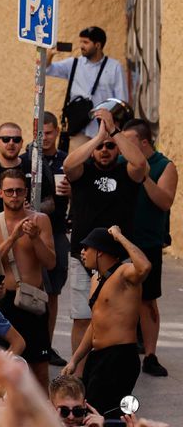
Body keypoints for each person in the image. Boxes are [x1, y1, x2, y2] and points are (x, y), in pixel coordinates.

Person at [62, 107, 147, 360]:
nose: (105, 150)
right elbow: (68, 164)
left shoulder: (127, 173)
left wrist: (113, 131)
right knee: (81, 318)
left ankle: (107, 364)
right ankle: (78, 373)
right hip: (83, 255)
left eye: (111, 146)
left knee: (118, 316)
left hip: (118, 259)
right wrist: (98, 137)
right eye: (101, 147)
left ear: (118, 148)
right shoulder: (83, 172)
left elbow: (140, 162)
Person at [63, 226, 151, 416]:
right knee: (89, 412)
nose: (83, 253)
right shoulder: (96, 279)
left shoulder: (124, 273)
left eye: (87, 248)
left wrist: (119, 237)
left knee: (105, 416)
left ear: (100, 252)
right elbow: (94, 324)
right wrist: (75, 360)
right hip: (98, 358)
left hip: (119, 358)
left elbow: (144, 267)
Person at [0, 169, 56, 383]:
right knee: (2, 367)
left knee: (39, 369)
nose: (14, 196)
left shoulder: (40, 220)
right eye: (9, 191)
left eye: (18, 191)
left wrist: (35, 239)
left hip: (32, 301)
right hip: (4, 302)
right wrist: (15, 236)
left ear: (26, 193)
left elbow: (50, 263)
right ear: (0, 193)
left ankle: (44, 414)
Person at [123, 119, 177, 378]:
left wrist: (144, 177)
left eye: (128, 141)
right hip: (121, 240)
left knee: (147, 301)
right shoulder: (120, 163)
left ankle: (151, 354)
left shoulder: (164, 166)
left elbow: (165, 201)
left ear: (144, 142)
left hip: (148, 241)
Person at [45, 26, 129, 139]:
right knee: (78, 156)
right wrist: (50, 55)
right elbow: (47, 70)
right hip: (79, 129)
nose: (81, 46)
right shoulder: (74, 64)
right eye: (81, 42)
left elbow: (121, 100)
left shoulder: (115, 67)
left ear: (97, 45)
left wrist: (116, 128)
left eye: (86, 42)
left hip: (105, 130)